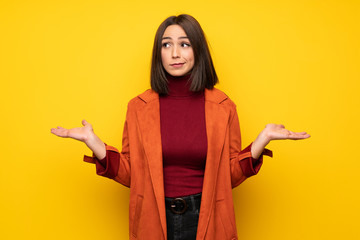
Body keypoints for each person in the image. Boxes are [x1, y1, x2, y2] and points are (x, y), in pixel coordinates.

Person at [51, 14, 310, 240]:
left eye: (184, 44)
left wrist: (261, 140)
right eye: (167, 45)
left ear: (197, 51)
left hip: (208, 218)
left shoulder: (223, 106)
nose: (175, 53)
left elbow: (228, 176)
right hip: (154, 219)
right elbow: (133, 175)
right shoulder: (138, 107)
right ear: (158, 53)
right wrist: (94, 143)